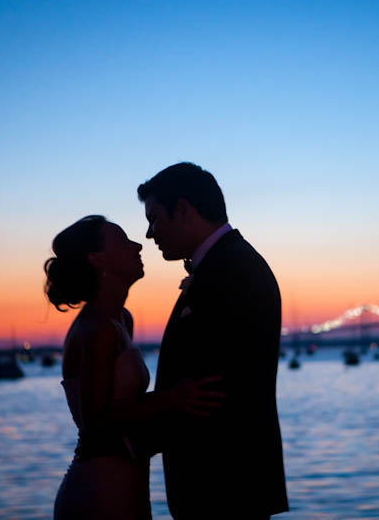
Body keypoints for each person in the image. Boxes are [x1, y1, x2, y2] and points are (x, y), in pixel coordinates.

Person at [46, 215, 224, 520]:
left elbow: (128, 414)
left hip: (129, 485)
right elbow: (97, 422)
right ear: (98, 259)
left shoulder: (121, 320)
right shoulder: (98, 329)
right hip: (101, 492)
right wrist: (172, 398)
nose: (138, 245)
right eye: (122, 241)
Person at [136, 162, 289, 518]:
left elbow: (211, 387)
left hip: (223, 485)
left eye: (154, 218)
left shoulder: (232, 271)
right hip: (227, 483)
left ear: (184, 210)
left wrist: (125, 437)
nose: (149, 233)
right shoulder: (228, 264)